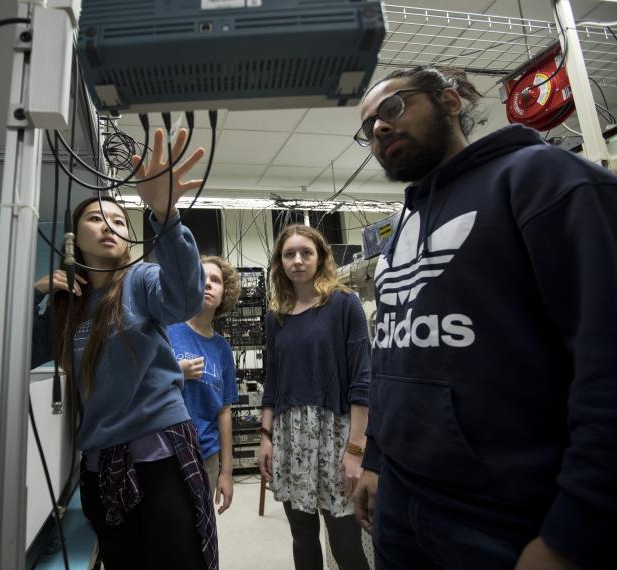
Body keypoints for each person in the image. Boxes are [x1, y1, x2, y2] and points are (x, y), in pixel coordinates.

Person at [351, 65, 617, 570]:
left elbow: (608, 363)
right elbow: (393, 357)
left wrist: (575, 532)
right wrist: (377, 460)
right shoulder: (402, 227)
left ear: (449, 101)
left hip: (506, 521)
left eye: (392, 108)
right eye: (368, 128)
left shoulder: (542, 178)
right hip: (403, 502)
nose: (380, 128)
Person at [31, 128, 218, 570]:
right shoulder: (65, 302)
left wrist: (165, 214)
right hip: (98, 465)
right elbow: (31, 364)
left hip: (161, 454)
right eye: (96, 219)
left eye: (118, 220)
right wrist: (39, 299)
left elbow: (185, 299)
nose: (110, 226)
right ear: (72, 237)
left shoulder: (141, 280)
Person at [257, 224, 371, 570]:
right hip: (289, 438)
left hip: (335, 435)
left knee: (345, 544)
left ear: (321, 257)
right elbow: (272, 382)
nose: (297, 260)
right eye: (289, 254)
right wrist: (265, 437)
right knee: (302, 537)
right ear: (280, 263)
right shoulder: (275, 317)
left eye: (306, 252)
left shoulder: (344, 304)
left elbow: (362, 381)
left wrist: (355, 449)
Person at [167, 255, 241, 515]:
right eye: (201, 278)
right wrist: (177, 373)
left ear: (225, 293)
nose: (208, 284)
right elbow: (140, 382)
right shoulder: (167, 329)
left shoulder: (222, 349)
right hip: (164, 453)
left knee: (198, 530)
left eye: (216, 280)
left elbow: (224, 411)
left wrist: (226, 472)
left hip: (205, 455)